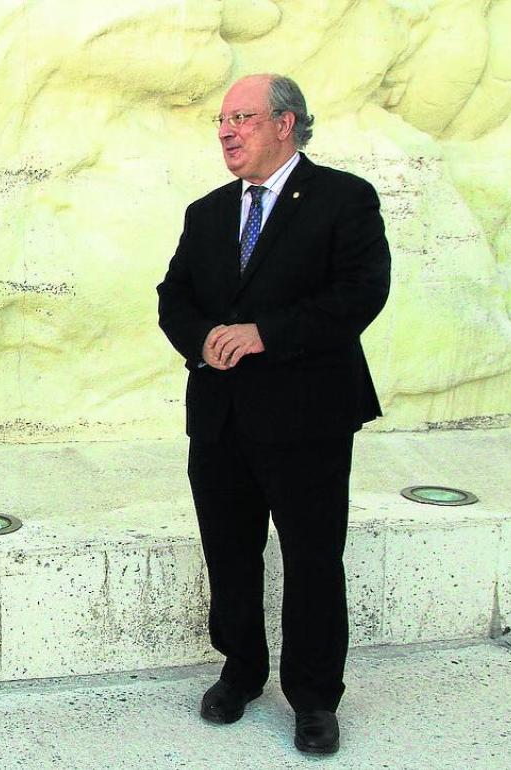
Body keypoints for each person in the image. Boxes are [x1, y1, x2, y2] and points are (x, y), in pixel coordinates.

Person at [156, 74, 390, 755]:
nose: (226, 132)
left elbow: (361, 294)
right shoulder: (206, 212)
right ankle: (241, 671)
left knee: (313, 558)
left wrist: (266, 333)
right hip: (221, 417)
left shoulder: (343, 198)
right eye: (222, 120)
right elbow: (174, 296)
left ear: (286, 124)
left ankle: (314, 699)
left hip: (307, 418)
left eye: (243, 118)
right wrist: (202, 337)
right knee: (229, 552)